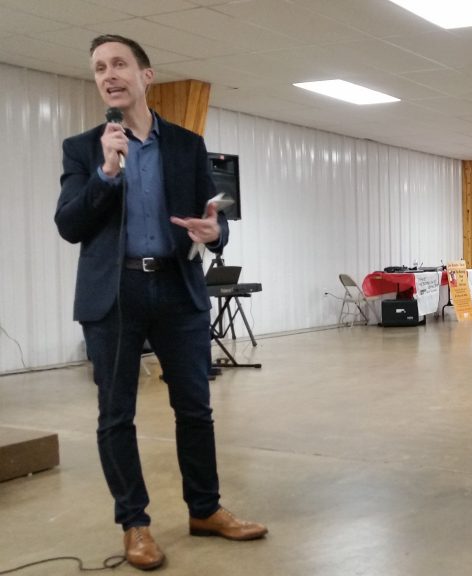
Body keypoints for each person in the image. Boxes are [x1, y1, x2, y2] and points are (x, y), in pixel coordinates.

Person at [54, 35, 266, 570]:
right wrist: (105, 173)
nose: (109, 74)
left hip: (177, 286)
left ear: (146, 75)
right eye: (100, 68)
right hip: (115, 293)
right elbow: (69, 224)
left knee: (195, 407)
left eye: (119, 63)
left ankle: (205, 509)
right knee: (115, 415)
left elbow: (214, 222)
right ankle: (135, 525)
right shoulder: (83, 148)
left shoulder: (187, 145)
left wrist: (214, 231)